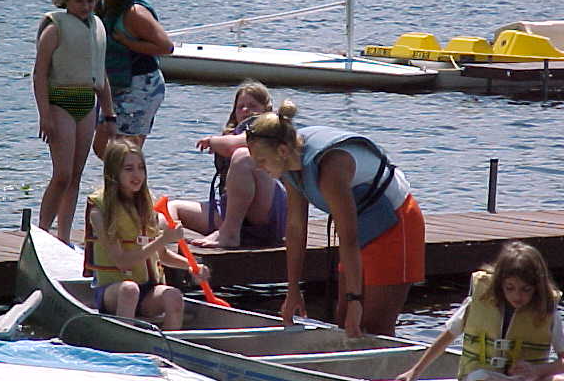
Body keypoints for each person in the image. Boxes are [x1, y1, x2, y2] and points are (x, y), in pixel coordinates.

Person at [245, 99, 425, 337]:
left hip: (396, 223)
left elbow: (349, 238)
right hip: (362, 227)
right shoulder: (287, 165)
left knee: (374, 326)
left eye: (261, 161)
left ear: (282, 151)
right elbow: (296, 228)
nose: (258, 168)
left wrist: (355, 300)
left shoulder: (330, 170)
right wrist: (293, 290)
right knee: (344, 322)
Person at [84, 139, 210, 330]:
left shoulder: (146, 205)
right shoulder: (100, 211)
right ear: (114, 172)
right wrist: (164, 239)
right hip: (113, 291)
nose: (137, 175)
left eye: (141, 168)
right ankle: (124, 343)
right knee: (129, 290)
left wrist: (192, 266)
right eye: (129, 169)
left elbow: (162, 255)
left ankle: (170, 345)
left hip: (146, 290)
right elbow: (122, 262)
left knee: (174, 296)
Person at [397, 241, 564, 381]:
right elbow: (448, 336)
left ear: (537, 287)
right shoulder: (479, 302)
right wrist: (415, 371)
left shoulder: (547, 311)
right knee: (480, 376)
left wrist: (538, 370)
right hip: (484, 376)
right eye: (510, 288)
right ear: (500, 283)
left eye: (526, 289)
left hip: (525, 378)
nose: (517, 296)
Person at [33, 0, 114, 244]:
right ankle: (42, 233)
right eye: (79, 1)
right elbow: (39, 74)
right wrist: (44, 115)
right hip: (60, 103)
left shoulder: (97, 26)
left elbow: (101, 75)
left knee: (76, 175)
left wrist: (109, 114)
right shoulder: (55, 28)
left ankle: (64, 237)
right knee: (62, 174)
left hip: (86, 103)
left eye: (90, 1)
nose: (86, 6)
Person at [164, 80, 287, 248]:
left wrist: (212, 141)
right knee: (172, 208)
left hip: (266, 214)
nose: (245, 110)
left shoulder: (272, 131)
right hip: (231, 213)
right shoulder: (231, 134)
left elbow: (233, 146)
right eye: (240, 106)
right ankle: (159, 240)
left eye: (252, 106)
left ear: (266, 110)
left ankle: (229, 234)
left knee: (243, 156)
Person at [92, 0, 173, 157]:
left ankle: (130, 178)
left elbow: (166, 46)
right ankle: (122, 178)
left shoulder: (135, 12)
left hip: (141, 86)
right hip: (117, 85)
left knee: (121, 151)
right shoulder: (105, 3)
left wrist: (127, 42)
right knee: (104, 148)